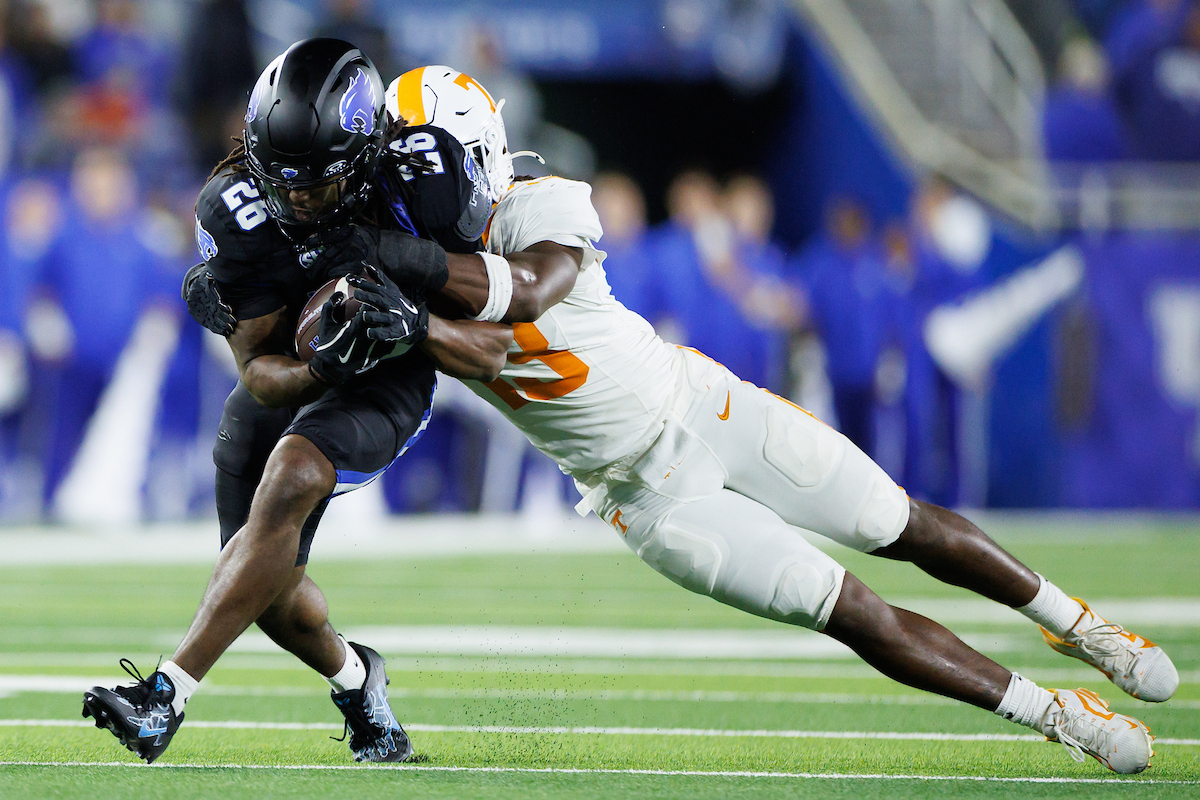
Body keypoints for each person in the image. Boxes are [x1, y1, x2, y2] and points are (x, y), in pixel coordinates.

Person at [189, 65, 1179, 775]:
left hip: (704, 404)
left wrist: (388, 275)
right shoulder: (381, 253)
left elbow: (518, 299)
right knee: (851, 609)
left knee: (896, 520)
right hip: (648, 498)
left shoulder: (540, 206)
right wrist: (241, 294)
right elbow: (300, 299)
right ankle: (1056, 715)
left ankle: (1078, 624)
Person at [82, 40, 511, 765]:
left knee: (292, 477)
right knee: (265, 587)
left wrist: (415, 316)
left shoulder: (422, 183)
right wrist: (316, 367)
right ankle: (360, 686)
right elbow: (257, 370)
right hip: (298, 368)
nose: (297, 199)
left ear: (368, 153)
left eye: (318, 183)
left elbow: (494, 341)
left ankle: (165, 696)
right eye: (281, 180)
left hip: (390, 372)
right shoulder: (235, 206)